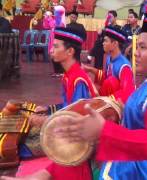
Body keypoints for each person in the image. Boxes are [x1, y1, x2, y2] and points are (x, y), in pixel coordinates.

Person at [28, 13, 147, 180]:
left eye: (143, 47)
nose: (135, 53)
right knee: (79, 154)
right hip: (143, 161)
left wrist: (105, 129)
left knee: (84, 157)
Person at [0, 27, 96, 180]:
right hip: (64, 126)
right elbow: (68, 106)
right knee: (26, 129)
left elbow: (78, 119)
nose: (51, 50)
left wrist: (46, 120)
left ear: (70, 51)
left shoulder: (79, 80)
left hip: (75, 139)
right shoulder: (69, 75)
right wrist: (48, 108)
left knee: (18, 145)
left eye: (56, 46)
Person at [83, 26, 135, 103]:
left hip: (118, 104)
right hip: (109, 97)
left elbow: (127, 92)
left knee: (111, 81)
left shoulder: (124, 66)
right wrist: (89, 69)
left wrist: (106, 100)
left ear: (114, 44)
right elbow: (106, 77)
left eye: (105, 41)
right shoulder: (109, 58)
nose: (103, 43)